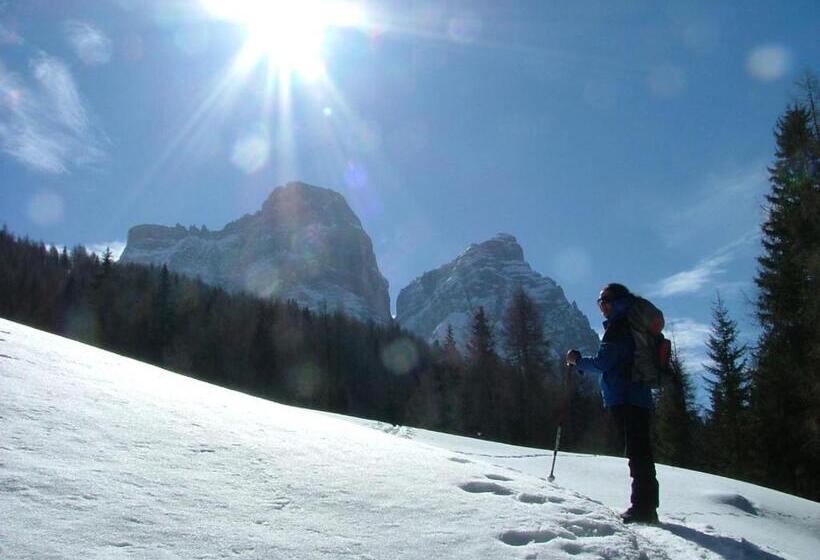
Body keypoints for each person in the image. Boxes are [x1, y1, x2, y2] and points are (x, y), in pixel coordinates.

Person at [566, 283, 659, 524]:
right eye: (599, 303)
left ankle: (643, 508)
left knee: (638, 453)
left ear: (615, 301)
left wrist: (577, 361)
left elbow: (602, 363)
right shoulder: (630, 321)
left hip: (626, 397)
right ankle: (646, 505)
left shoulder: (620, 326)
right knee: (641, 452)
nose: (602, 308)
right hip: (638, 396)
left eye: (604, 302)